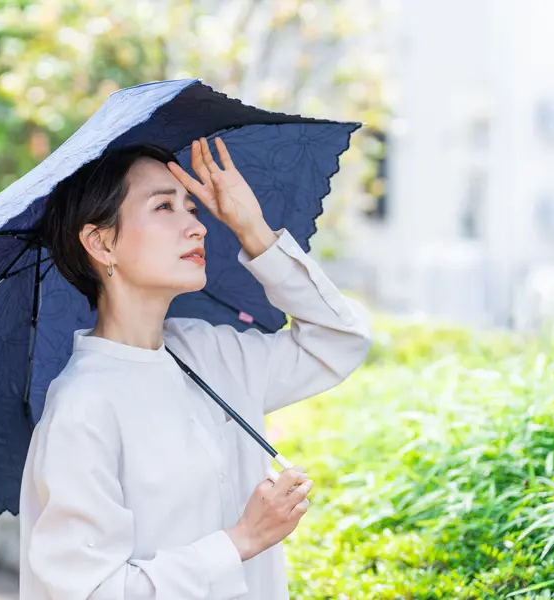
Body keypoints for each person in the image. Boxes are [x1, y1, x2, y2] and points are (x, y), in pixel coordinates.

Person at [19, 137, 373, 599]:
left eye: (193, 208)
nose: (197, 227)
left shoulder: (209, 352)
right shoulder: (83, 409)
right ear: (101, 243)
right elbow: (91, 593)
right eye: (165, 208)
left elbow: (340, 340)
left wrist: (254, 230)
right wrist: (241, 540)